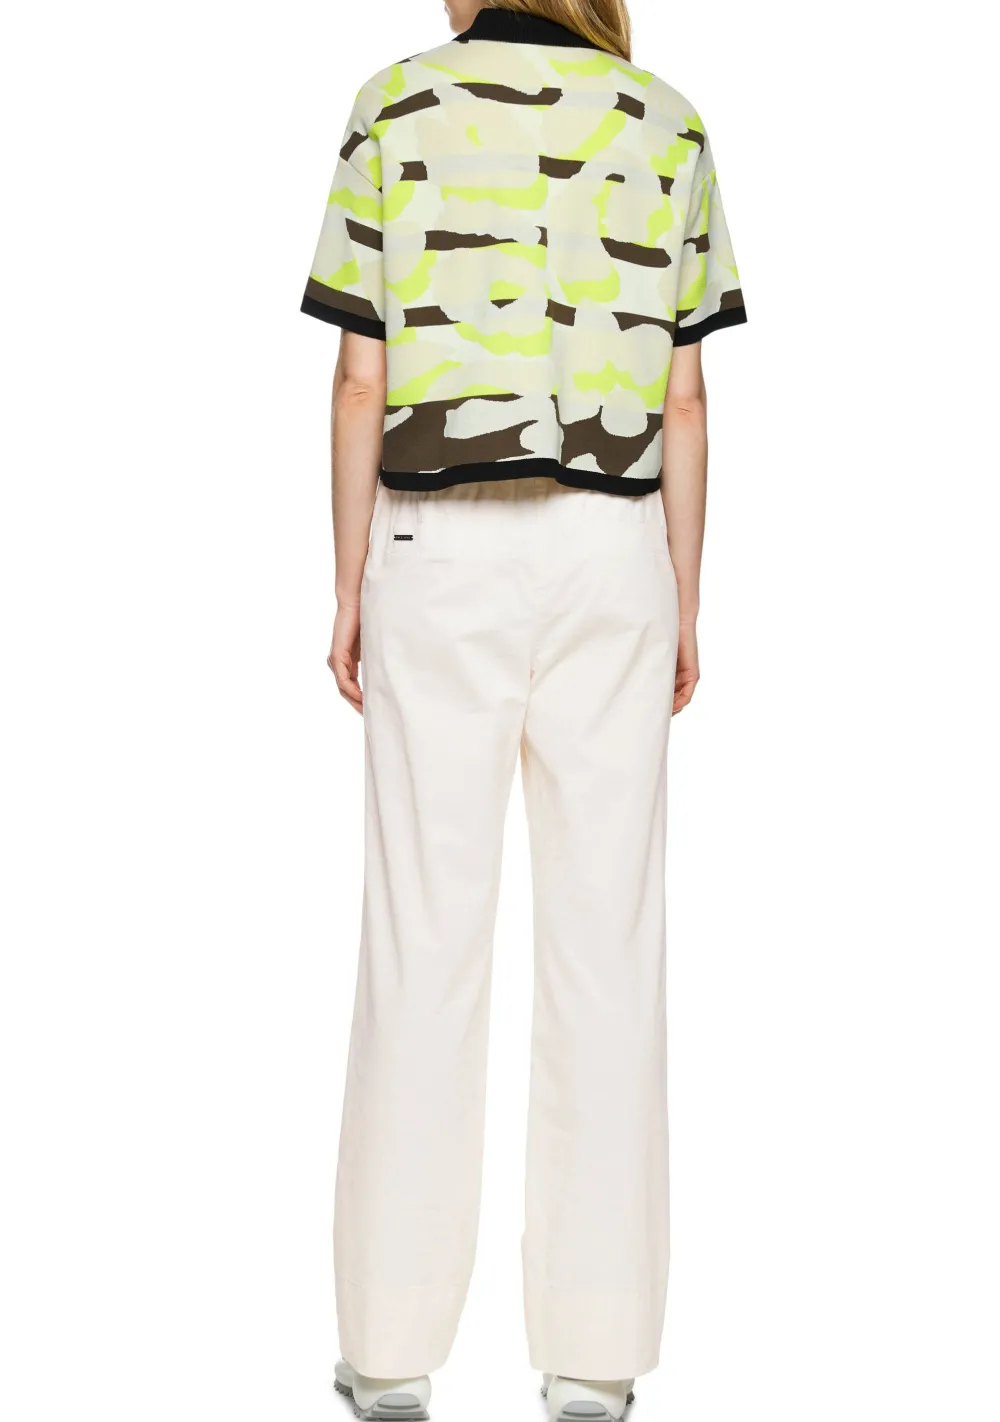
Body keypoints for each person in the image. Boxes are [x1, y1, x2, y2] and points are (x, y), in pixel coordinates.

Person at [300, 2, 745, 1417]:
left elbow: (361, 375)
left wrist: (347, 582)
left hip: (435, 544)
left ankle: (389, 1356)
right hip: (615, 547)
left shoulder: (394, 103)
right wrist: (684, 589)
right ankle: (595, 1362)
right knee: (608, 944)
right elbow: (685, 399)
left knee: (422, 938)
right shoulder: (664, 119)